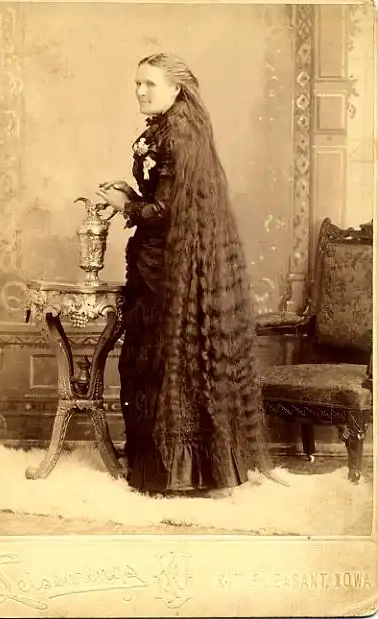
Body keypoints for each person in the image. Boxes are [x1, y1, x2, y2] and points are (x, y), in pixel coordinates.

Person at [97, 53, 275, 497]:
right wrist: (131, 193)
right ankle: (168, 471)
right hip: (159, 261)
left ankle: (178, 474)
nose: (140, 91)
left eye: (149, 84)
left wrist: (127, 205)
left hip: (171, 268)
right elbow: (167, 197)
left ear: (176, 89)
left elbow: (168, 210)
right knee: (158, 360)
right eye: (137, 83)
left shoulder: (179, 131)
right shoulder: (169, 127)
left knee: (166, 361)